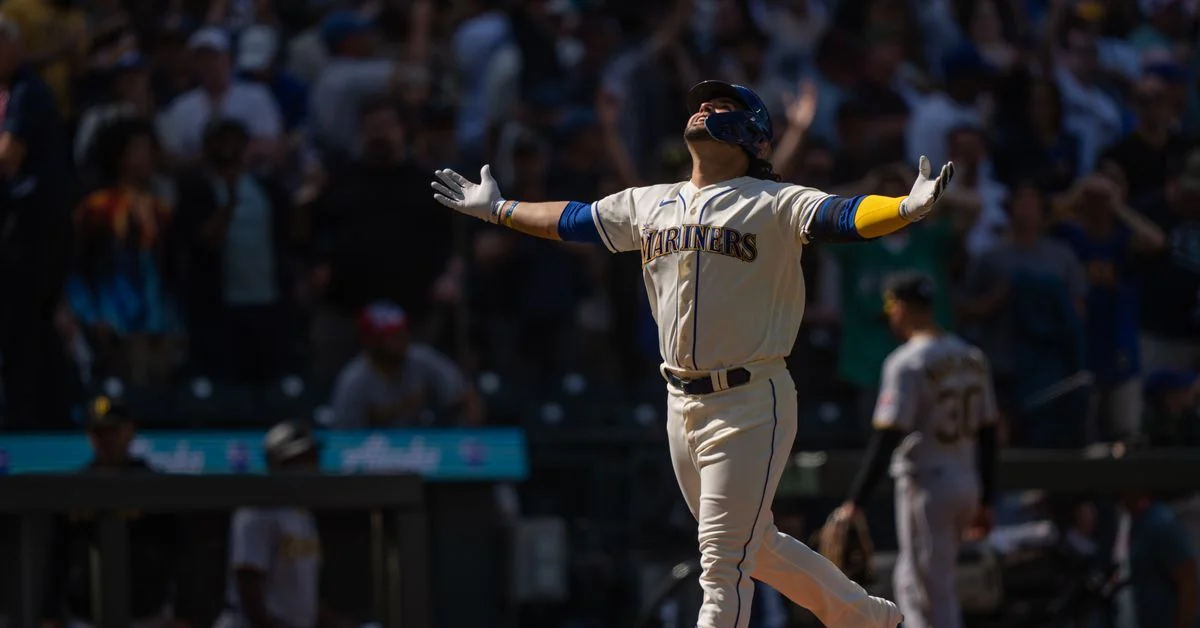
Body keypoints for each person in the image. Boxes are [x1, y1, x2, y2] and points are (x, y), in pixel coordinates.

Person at [430, 80, 957, 628]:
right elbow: (574, 220)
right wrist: (499, 209)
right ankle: (871, 620)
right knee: (757, 545)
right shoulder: (651, 201)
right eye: (702, 103)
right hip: (680, 401)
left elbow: (843, 216)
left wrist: (904, 208)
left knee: (721, 566)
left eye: (722, 106)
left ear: (753, 137)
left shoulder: (775, 202)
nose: (705, 107)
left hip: (751, 399)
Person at [837, 272, 1000, 628]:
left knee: (930, 590)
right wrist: (986, 497)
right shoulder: (972, 356)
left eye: (892, 309)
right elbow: (989, 435)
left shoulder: (906, 362)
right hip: (966, 479)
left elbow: (887, 438)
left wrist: (856, 501)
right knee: (913, 581)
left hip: (927, 484)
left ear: (901, 307)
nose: (891, 318)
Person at [40, 396, 192, 628]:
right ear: (89, 436)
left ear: (130, 430)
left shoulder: (154, 485)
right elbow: (57, 558)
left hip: (148, 614)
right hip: (86, 617)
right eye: (99, 432)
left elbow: (181, 553)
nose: (107, 439)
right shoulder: (75, 489)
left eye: (113, 430)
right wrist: (49, 615)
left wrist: (183, 611)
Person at [214, 420, 348, 628]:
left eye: (312, 457)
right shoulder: (256, 511)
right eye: (302, 458)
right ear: (280, 463)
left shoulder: (302, 515)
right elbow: (249, 592)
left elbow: (302, 602)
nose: (313, 465)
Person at [329, 301, 477, 429]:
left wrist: (467, 407)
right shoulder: (353, 380)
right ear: (371, 341)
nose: (402, 341)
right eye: (392, 337)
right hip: (371, 454)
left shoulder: (421, 359)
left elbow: (463, 393)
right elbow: (342, 438)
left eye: (403, 333)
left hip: (424, 447)